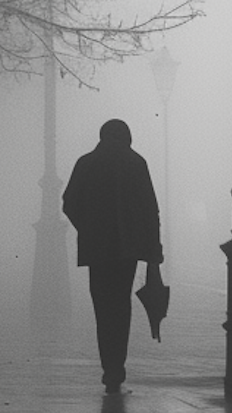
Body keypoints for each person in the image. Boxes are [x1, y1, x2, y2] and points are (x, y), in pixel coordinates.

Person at [62, 119, 163, 393]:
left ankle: (109, 366)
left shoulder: (86, 163)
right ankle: (117, 367)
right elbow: (150, 208)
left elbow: (69, 202)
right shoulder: (136, 163)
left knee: (102, 307)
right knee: (121, 304)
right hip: (127, 248)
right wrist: (154, 247)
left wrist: (88, 227)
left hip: (97, 249)